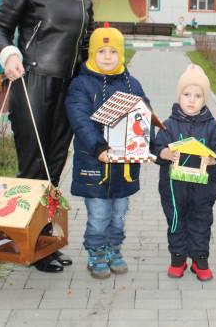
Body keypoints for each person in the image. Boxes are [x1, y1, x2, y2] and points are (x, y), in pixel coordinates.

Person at [0, 0, 94, 273]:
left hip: (69, 88)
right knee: (34, 167)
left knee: (54, 168)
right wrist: (8, 55)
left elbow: (87, 42)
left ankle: (44, 239)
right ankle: (28, 243)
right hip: (31, 82)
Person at [64, 24, 148, 279]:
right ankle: (96, 252)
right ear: (92, 54)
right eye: (102, 51)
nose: (108, 57)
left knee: (119, 213)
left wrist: (147, 141)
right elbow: (79, 119)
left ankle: (114, 249)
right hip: (94, 164)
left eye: (113, 51)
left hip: (124, 167)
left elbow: (144, 116)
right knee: (99, 214)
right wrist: (98, 146)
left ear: (121, 54)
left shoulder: (132, 85)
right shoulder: (81, 85)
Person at [151, 64, 216, 281]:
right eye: (187, 94)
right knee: (176, 220)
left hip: (204, 189)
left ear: (205, 99)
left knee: (201, 221)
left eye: (198, 95)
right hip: (173, 189)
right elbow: (156, 149)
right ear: (179, 96)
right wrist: (165, 153)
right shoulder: (168, 125)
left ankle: (199, 258)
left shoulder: (213, 127)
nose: (191, 100)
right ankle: (177, 257)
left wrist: (215, 159)